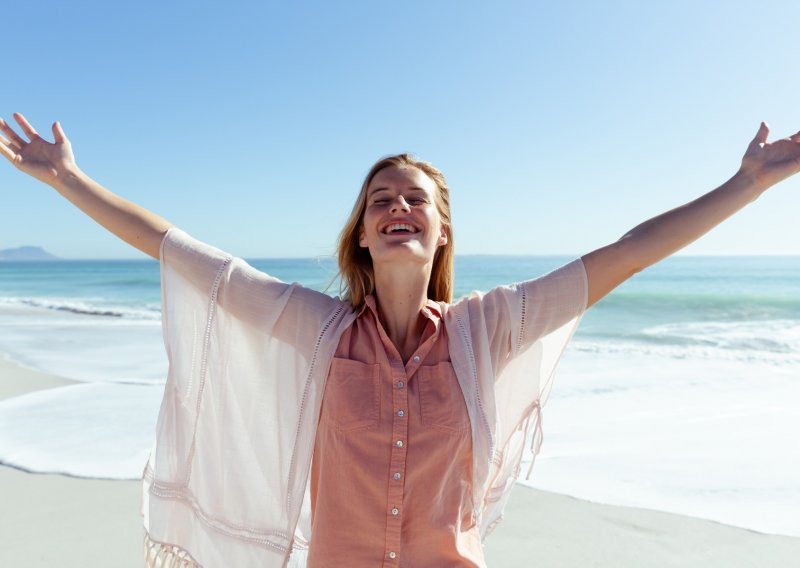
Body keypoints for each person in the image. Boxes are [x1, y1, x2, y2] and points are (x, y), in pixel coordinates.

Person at [1, 112, 798, 568]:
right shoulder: (317, 332)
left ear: (441, 230)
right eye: (381, 199)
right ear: (362, 234)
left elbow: (626, 252)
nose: (398, 207)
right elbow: (190, 258)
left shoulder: (491, 327)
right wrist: (69, 179)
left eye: (415, 198)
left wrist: (746, 184)